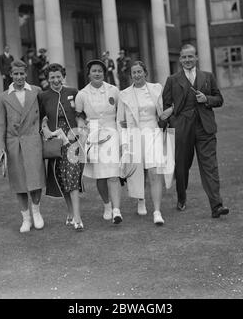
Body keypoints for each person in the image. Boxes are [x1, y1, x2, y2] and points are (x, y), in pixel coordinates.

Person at [162, 44, 229, 218]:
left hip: (204, 129)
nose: (187, 60)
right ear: (180, 59)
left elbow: (219, 99)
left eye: (190, 56)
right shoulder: (172, 80)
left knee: (210, 167)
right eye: (184, 57)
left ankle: (217, 205)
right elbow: (166, 106)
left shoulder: (207, 77)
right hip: (182, 128)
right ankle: (181, 197)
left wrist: (207, 99)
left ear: (196, 57)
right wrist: (174, 122)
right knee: (182, 166)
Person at [117, 61, 172, 225]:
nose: (137, 75)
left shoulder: (156, 88)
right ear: (131, 75)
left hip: (153, 132)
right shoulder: (124, 94)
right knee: (136, 171)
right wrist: (123, 142)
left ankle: (157, 211)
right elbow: (120, 121)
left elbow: (162, 113)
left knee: (154, 173)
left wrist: (172, 110)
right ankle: (140, 199)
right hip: (134, 134)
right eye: (134, 73)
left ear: (145, 73)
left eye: (139, 72)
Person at [0, 60, 46, 233]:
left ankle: (37, 212)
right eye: (15, 74)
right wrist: (1, 147)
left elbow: (46, 113)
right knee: (19, 182)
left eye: (22, 73)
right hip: (14, 143)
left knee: (35, 179)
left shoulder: (36, 91)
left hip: (33, 140)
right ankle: (26, 218)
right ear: (11, 75)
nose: (19, 77)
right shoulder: (2, 98)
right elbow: (0, 124)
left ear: (26, 74)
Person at [75, 59, 123, 224]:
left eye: (100, 71)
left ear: (104, 73)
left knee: (114, 174)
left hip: (112, 133)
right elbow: (80, 118)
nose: (97, 73)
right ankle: (107, 205)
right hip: (93, 136)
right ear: (89, 74)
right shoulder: (82, 94)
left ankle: (117, 210)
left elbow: (120, 114)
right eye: (94, 71)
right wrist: (83, 140)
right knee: (100, 176)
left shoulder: (114, 90)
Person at [38, 63, 85, 231]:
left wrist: (81, 130)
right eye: (52, 77)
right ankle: (70, 212)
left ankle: (78, 218)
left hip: (72, 141)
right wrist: (46, 131)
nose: (56, 80)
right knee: (62, 178)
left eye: (58, 76)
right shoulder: (43, 96)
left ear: (63, 76)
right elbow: (41, 119)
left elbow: (81, 114)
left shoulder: (73, 92)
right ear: (48, 79)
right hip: (55, 144)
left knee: (72, 176)